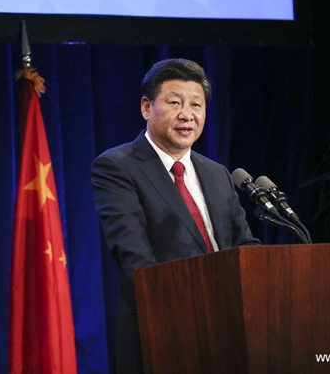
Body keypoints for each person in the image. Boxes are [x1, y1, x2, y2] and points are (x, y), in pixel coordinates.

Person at [91, 58, 260, 373]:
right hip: (163, 329)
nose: (188, 114)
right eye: (174, 102)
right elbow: (135, 257)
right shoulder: (117, 167)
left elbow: (244, 245)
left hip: (231, 329)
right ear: (146, 108)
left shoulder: (217, 173)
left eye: (197, 105)